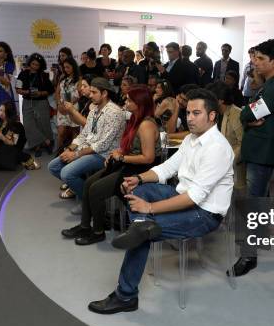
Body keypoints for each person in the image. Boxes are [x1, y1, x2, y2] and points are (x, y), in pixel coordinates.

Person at [88, 88, 234, 314]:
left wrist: (150, 208)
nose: (190, 118)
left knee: (144, 233)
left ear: (212, 116)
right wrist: (138, 177)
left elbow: (195, 197)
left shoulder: (218, 148)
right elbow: (167, 168)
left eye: (196, 113)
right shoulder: (191, 139)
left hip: (204, 215)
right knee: (141, 191)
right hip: (181, 197)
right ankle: (140, 224)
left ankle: (125, 296)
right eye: (188, 113)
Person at [64, 85, 161, 244]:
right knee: (89, 182)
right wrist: (117, 155)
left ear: (140, 103)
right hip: (129, 164)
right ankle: (85, 226)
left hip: (141, 171)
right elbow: (130, 148)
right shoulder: (135, 119)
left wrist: (122, 158)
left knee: (95, 189)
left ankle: (98, 231)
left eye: (130, 100)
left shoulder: (146, 125)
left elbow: (148, 158)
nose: (126, 102)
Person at [231, 39, 274, 276]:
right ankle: (258, 240)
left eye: (261, 59)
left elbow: (246, 112)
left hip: (263, 150)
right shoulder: (272, 83)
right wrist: (251, 115)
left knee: (254, 202)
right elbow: (251, 112)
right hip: (260, 148)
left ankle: (248, 255)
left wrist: (249, 115)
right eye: (255, 58)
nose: (255, 62)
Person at [48, 77, 125, 213]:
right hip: (89, 149)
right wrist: (70, 148)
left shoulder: (114, 112)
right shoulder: (94, 109)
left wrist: (76, 154)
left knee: (66, 173)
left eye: (94, 92)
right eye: (91, 92)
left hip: (104, 155)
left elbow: (103, 145)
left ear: (105, 93)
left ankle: (88, 201)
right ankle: (87, 195)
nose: (90, 95)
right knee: (53, 166)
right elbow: (85, 134)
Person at [209, 81, 246, 189]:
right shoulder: (216, 114)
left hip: (234, 168)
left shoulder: (236, 114)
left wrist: (226, 160)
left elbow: (243, 143)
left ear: (220, 101)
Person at [16, 53, 54, 157]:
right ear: (29, 63)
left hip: (41, 101)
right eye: (33, 64)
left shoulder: (44, 75)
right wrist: (27, 92)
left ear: (41, 65)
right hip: (28, 101)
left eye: (37, 65)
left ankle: (40, 146)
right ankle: (47, 142)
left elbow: (50, 90)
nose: (34, 66)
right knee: (28, 124)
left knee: (43, 124)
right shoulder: (22, 74)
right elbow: (18, 89)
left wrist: (40, 93)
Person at [55, 57, 82, 153]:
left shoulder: (79, 79)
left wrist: (69, 106)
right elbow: (57, 93)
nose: (66, 69)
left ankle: (72, 152)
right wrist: (59, 104)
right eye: (64, 67)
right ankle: (59, 152)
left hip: (73, 107)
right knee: (61, 132)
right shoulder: (62, 77)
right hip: (62, 107)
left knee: (75, 131)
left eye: (68, 67)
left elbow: (79, 95)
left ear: (73, 67)